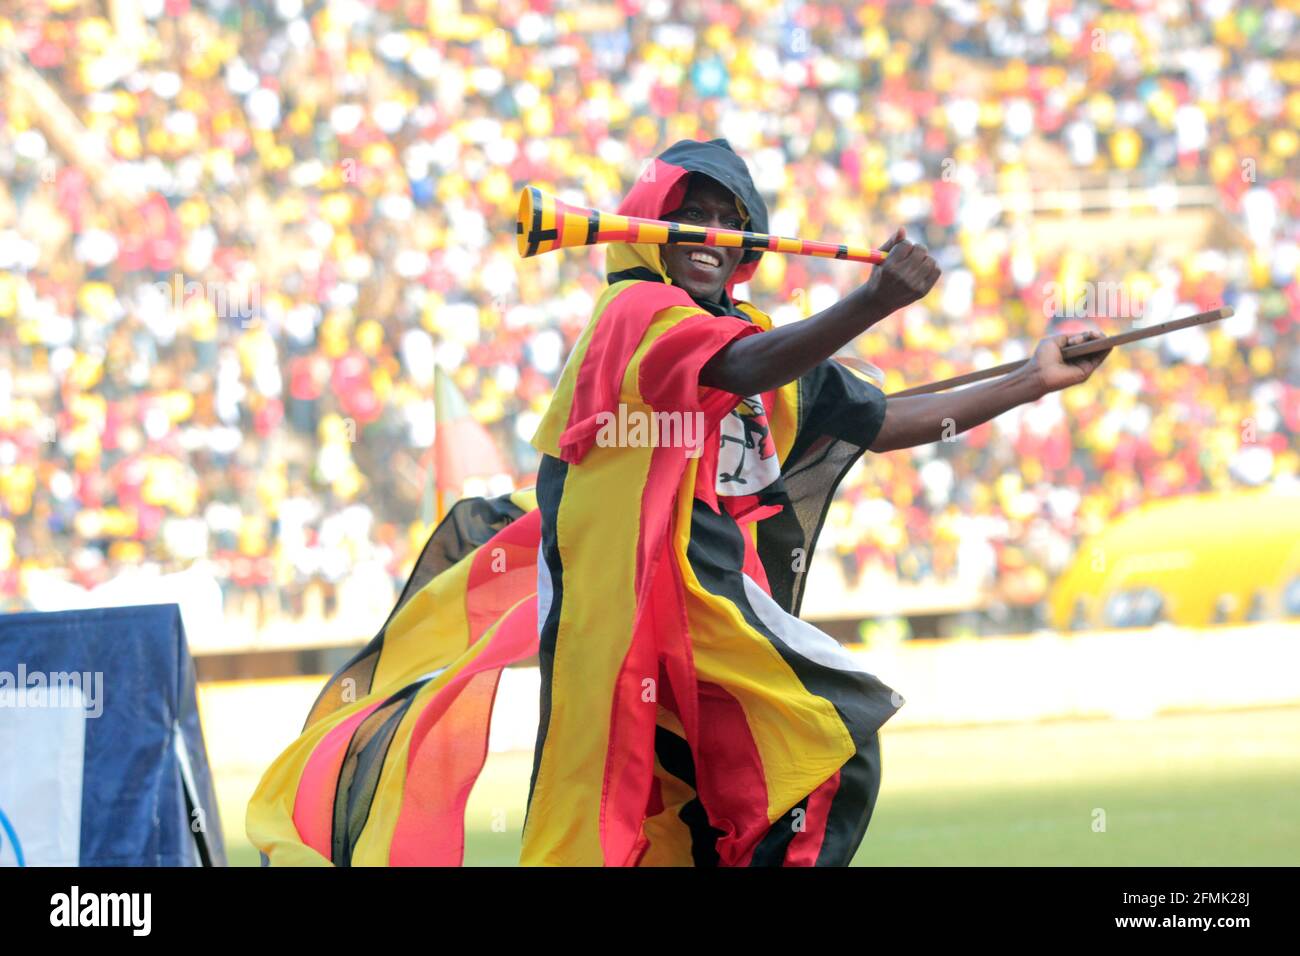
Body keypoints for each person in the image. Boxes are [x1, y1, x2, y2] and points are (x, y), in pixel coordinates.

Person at [247, 138, 1110, 867]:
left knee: (701, 816)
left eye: (730, 217)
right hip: (647, 614)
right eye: (689, 209)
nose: (710, 228)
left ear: (748, 246)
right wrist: (873, 302)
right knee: (828, 736)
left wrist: (1033, 380)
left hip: (697, 624)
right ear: (649, 225)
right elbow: (736, 368)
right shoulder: (636, 312)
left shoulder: (760, 339)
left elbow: (882, 421)